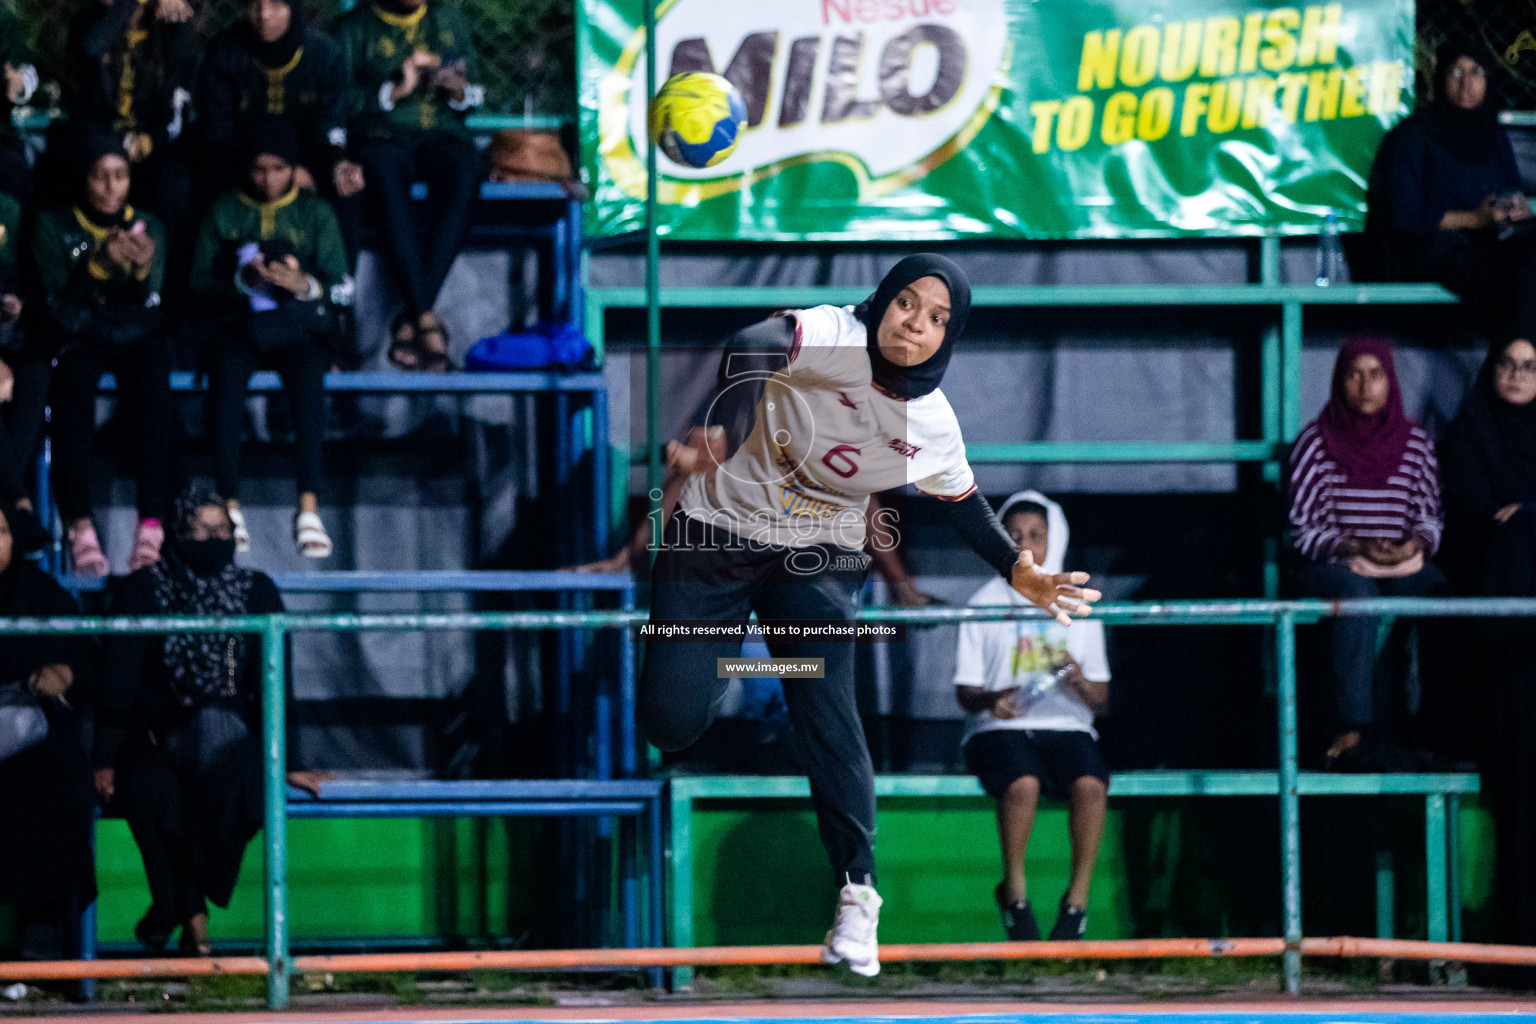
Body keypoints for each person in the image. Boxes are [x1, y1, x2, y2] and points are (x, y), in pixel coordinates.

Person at [640, 255, 1101, 977]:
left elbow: (965, 508)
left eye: (936, 319)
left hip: (816, 551)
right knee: (670, 721)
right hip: (717, 539)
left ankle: (858, 895)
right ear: (882, 302)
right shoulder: (833, 333)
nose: (915, 325)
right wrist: (729, 431)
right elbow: (754, 344)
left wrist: (1021, 571)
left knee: (826, 704)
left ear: (949, 335)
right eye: (906, 304)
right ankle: (733, 660)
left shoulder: (931, 420)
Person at [94, 487, 320, 955]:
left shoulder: (255, 590)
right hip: (155, 735)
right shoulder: (144, 589)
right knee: (151, 791)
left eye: (223, 530)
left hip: (229, 735)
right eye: (200, 529)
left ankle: (173, 911)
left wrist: (289, 758)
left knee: (242, 786)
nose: (213, 538)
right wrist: (105, 757)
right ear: (178, 534)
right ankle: (186, 918)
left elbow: (276, 682)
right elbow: (118, 679)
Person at [953, 490, 1110, 943]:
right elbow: (965, 693)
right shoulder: (982, 601)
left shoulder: (1078, 601)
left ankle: (1076, 904)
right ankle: (1016, 897)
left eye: (1035, 536)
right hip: (1000, 728)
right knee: (1023, 784)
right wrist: (991, 702)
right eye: (1013, 535)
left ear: (1053, 538)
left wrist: (1078, 680)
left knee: (1091, 786)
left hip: (1066, 725)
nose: (1025, 546)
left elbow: (1101, 697)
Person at [191, 118, 350, 558]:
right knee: (224, 378)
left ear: (293, 168)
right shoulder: (224, 210)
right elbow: (196, 285)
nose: (268, 179)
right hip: (235, 328)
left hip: (296, 330)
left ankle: (308, 508)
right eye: (259, 169)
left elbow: (342, 287)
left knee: (308, 377)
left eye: (279, 169)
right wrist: (241, 280)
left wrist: (305, 286)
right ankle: (230, 505)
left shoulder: (314, 212)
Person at [1288, 337, 1446, 768]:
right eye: (1354, 375)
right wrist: (1354, 545)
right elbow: (1302, 532)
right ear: (1339, 381)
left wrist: (1412, 544)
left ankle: (1437, 724)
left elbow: (1431, 517)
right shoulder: (1315, 444)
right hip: (1338, 564)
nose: (1364, 386)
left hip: (1401, 561)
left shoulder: (1415, 444)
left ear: (1390, 381)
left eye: (1375, 375)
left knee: (1442, 594)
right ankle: (1354, 726)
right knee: (1357, 598)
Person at [33, 134, 173, 576]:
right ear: (83, 180)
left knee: (155, 386)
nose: (111, 188)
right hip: (80, 335)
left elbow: (154, 301)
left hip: (133, 334)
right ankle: (80, 526)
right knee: (72, 391)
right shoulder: (53, 224)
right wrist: (96, 267)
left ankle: (151, 523)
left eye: (120, 176)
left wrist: (142, 269)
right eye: (100, 177)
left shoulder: (149, 224)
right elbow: (55, 305)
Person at [1438, 334, 1536, 952]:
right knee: (1519, 804)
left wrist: (1523, 517)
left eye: (1530, 367)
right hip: (1502, 659)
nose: (1517, 374)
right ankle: (1519, 951)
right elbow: (1470, 519)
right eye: (1506, 362)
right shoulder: (1468, 435)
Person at [333, 0, 484, 371]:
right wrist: (393, 91)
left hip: (442, 134)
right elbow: (337, 100)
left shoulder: (448, 19)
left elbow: (479, 93)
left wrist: (460, 91)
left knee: (467, 170)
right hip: (383, 135)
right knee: (382, 172)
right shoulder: (353, 29)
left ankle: (413, 319)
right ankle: (426, 322)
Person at [1365, 35, 1536, 327]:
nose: (1465, 83)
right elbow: (1405, 218)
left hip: (1488, 243)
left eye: (1476, 73)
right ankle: (1512, 363)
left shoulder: (1492, 136)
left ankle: (1513, 361)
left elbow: (1510, 191)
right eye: (1456, 72)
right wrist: (1474, 219)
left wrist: (1516, 210)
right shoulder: (1415, 135)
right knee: (1514, 282)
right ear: (1441, 78)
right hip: (1432, 251)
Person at [0, 501, 100, 961]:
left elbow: (89, 662)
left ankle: (36, 944)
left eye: (0, 532)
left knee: (57, 774)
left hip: (27, 732)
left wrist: (65, 673)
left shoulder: (42, 596)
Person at [198, 0, 364, 208]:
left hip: (307, 163)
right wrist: (271, 171)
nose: (264, 14)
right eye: (255, 4)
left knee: (346, 188)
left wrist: (337, 163)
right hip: (241, 163)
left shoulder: (324, 54)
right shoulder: (226, 52)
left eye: (276, 4)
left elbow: (330, 123)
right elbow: (217, 129)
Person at [0, 187, 47, 513]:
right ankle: (16, 503)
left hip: (13, 338)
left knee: (36, 372)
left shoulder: (10, 209)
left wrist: (19, 304)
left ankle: (11, 499)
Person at [0, 0, 38, 201]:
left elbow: (27, 69)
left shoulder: (4, 17)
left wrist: (20, 82)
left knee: (14, 168)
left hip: (3, 132)